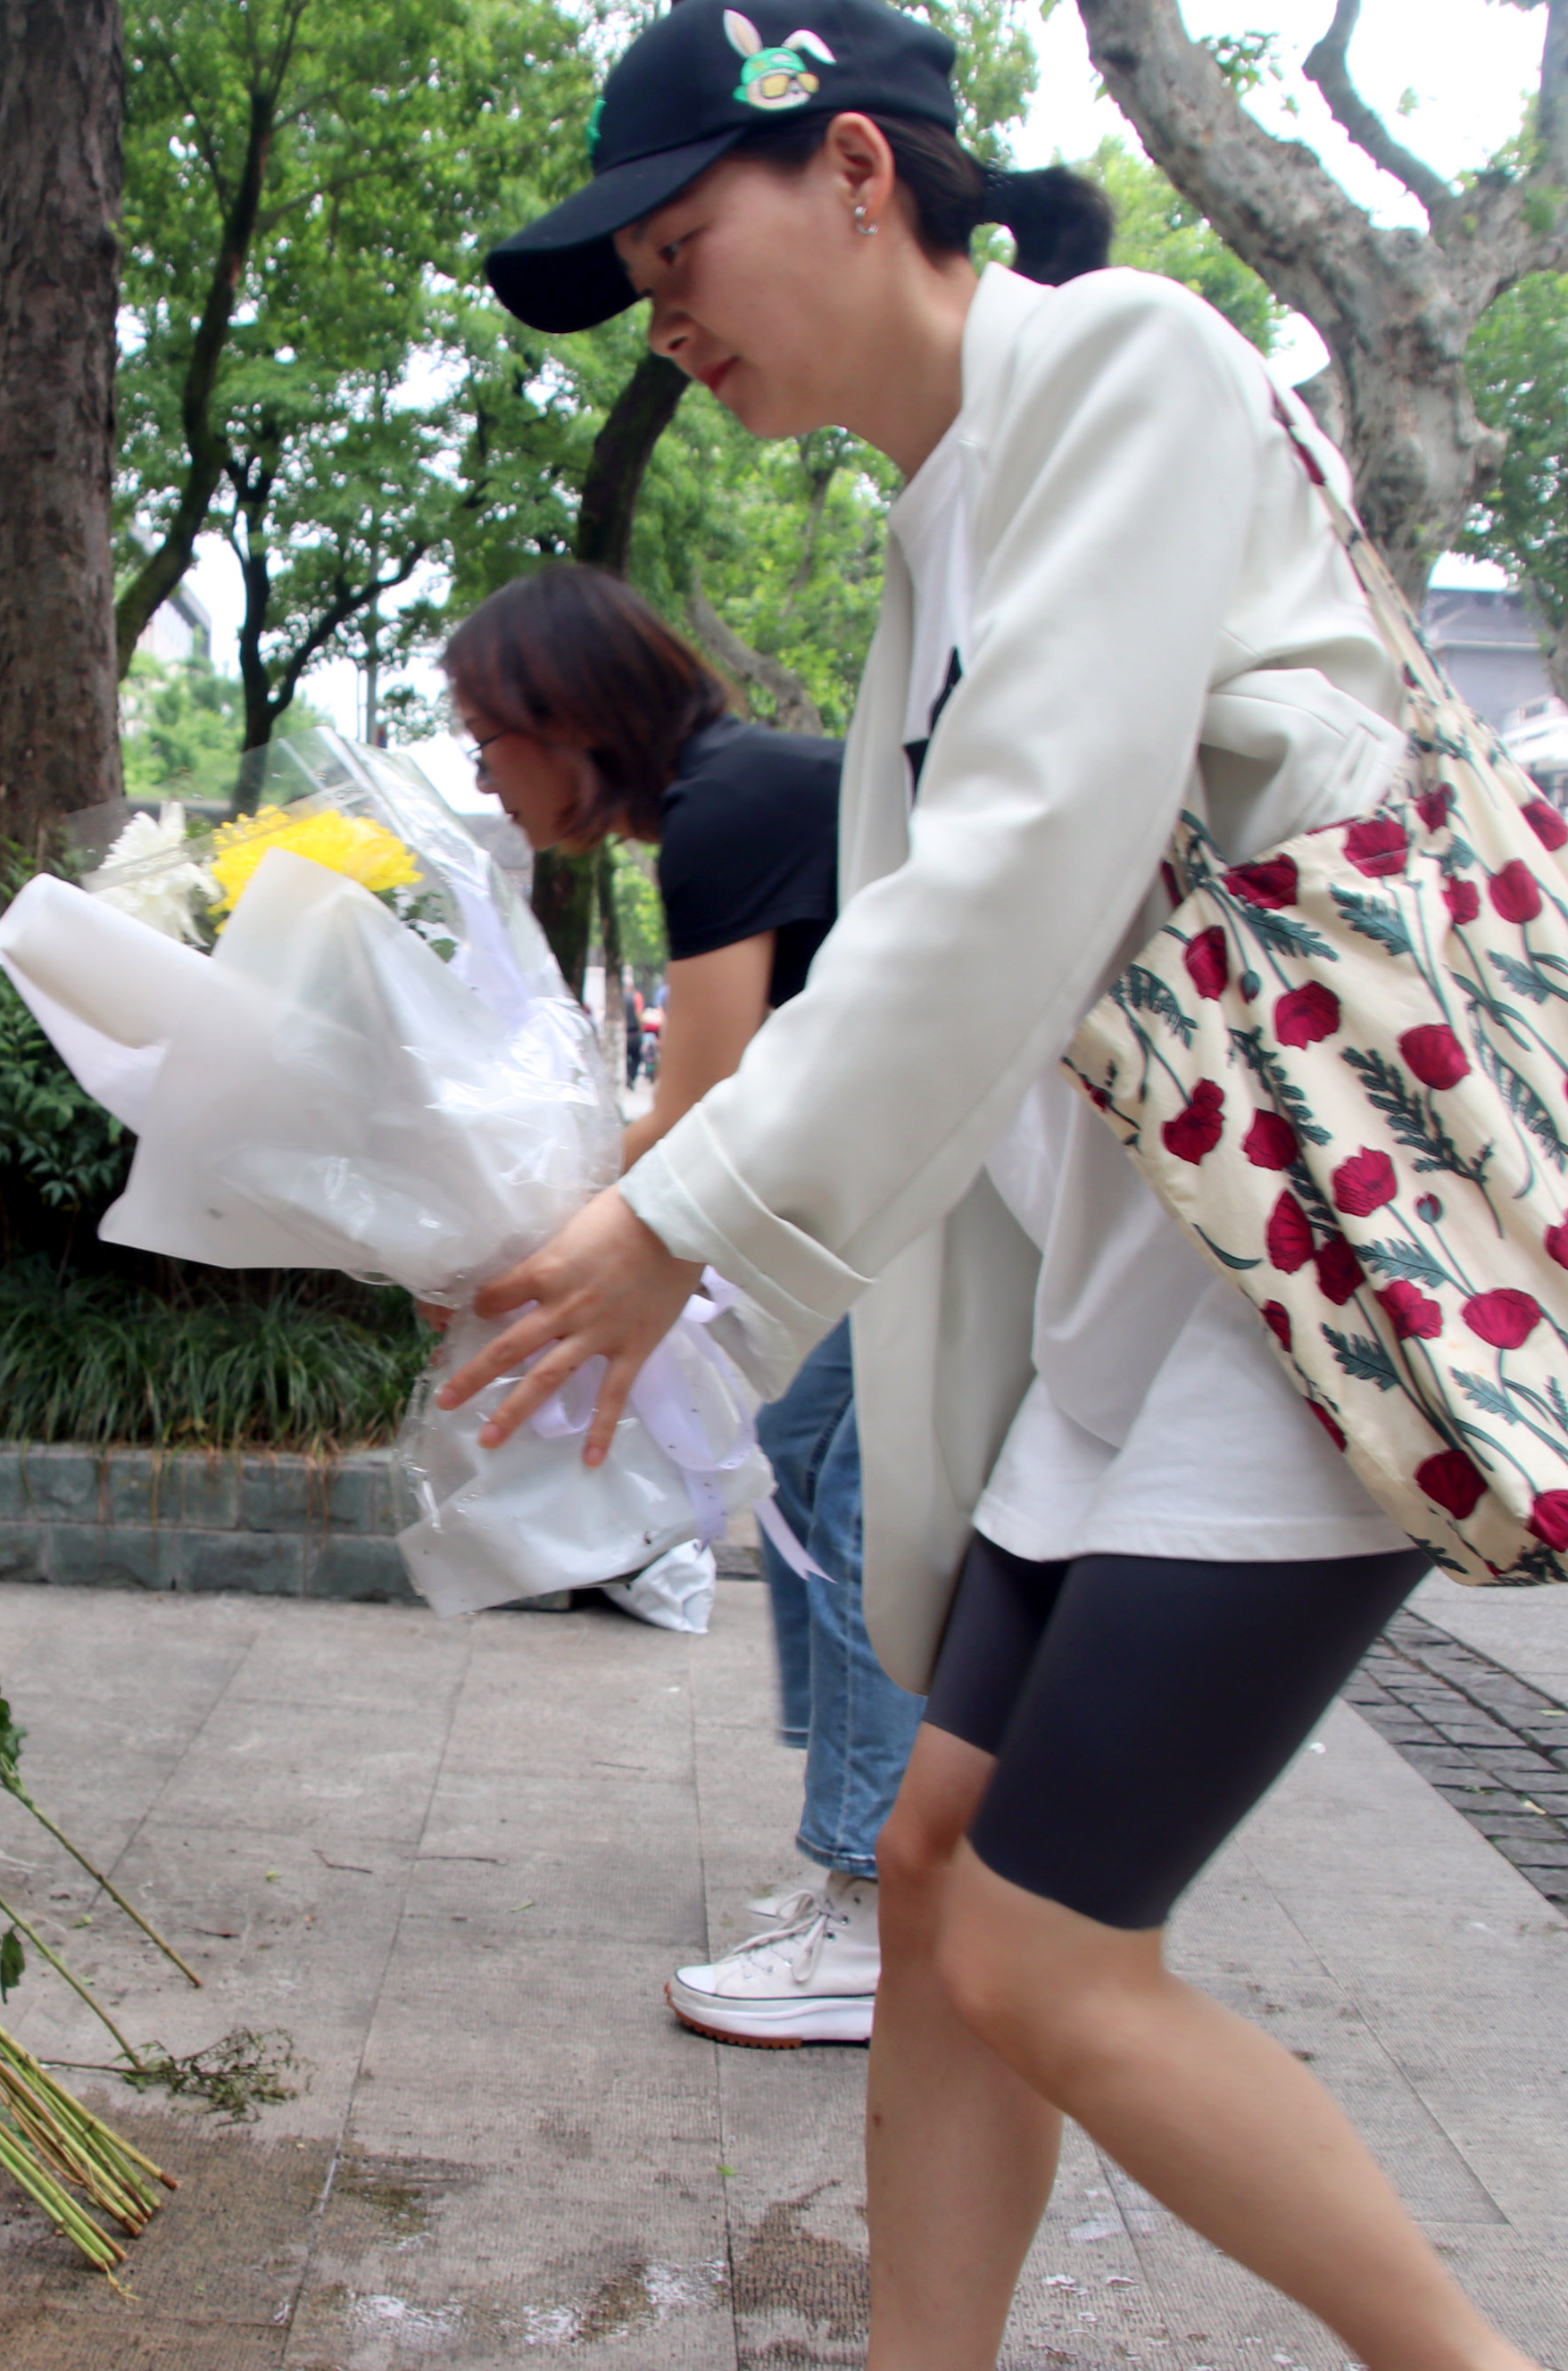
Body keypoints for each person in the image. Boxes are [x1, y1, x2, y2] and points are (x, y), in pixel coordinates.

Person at [449, 4, 1547, 2367]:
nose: (668, 314)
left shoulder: (1133, 375)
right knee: (941, 1884)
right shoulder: (939, 523)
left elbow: (1027, 866)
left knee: (1046, 1945)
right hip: (1134, 1319)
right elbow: (964, 1008)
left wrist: (677, 1220)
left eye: (680, 243)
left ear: (859, 170)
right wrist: (694, 1256)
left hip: (1309, 1313)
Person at [442, 567, 926, 2048]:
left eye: (485, 735)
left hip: (938, 1190)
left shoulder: (725, 807)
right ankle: (869, 1867)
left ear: (564, 720)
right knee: (809, 1481)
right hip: (904, 1187)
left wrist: (522, 1238)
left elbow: (703, 1104)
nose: (481, 771)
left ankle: (879, 1901)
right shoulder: (736, 795)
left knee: (852, 1512)